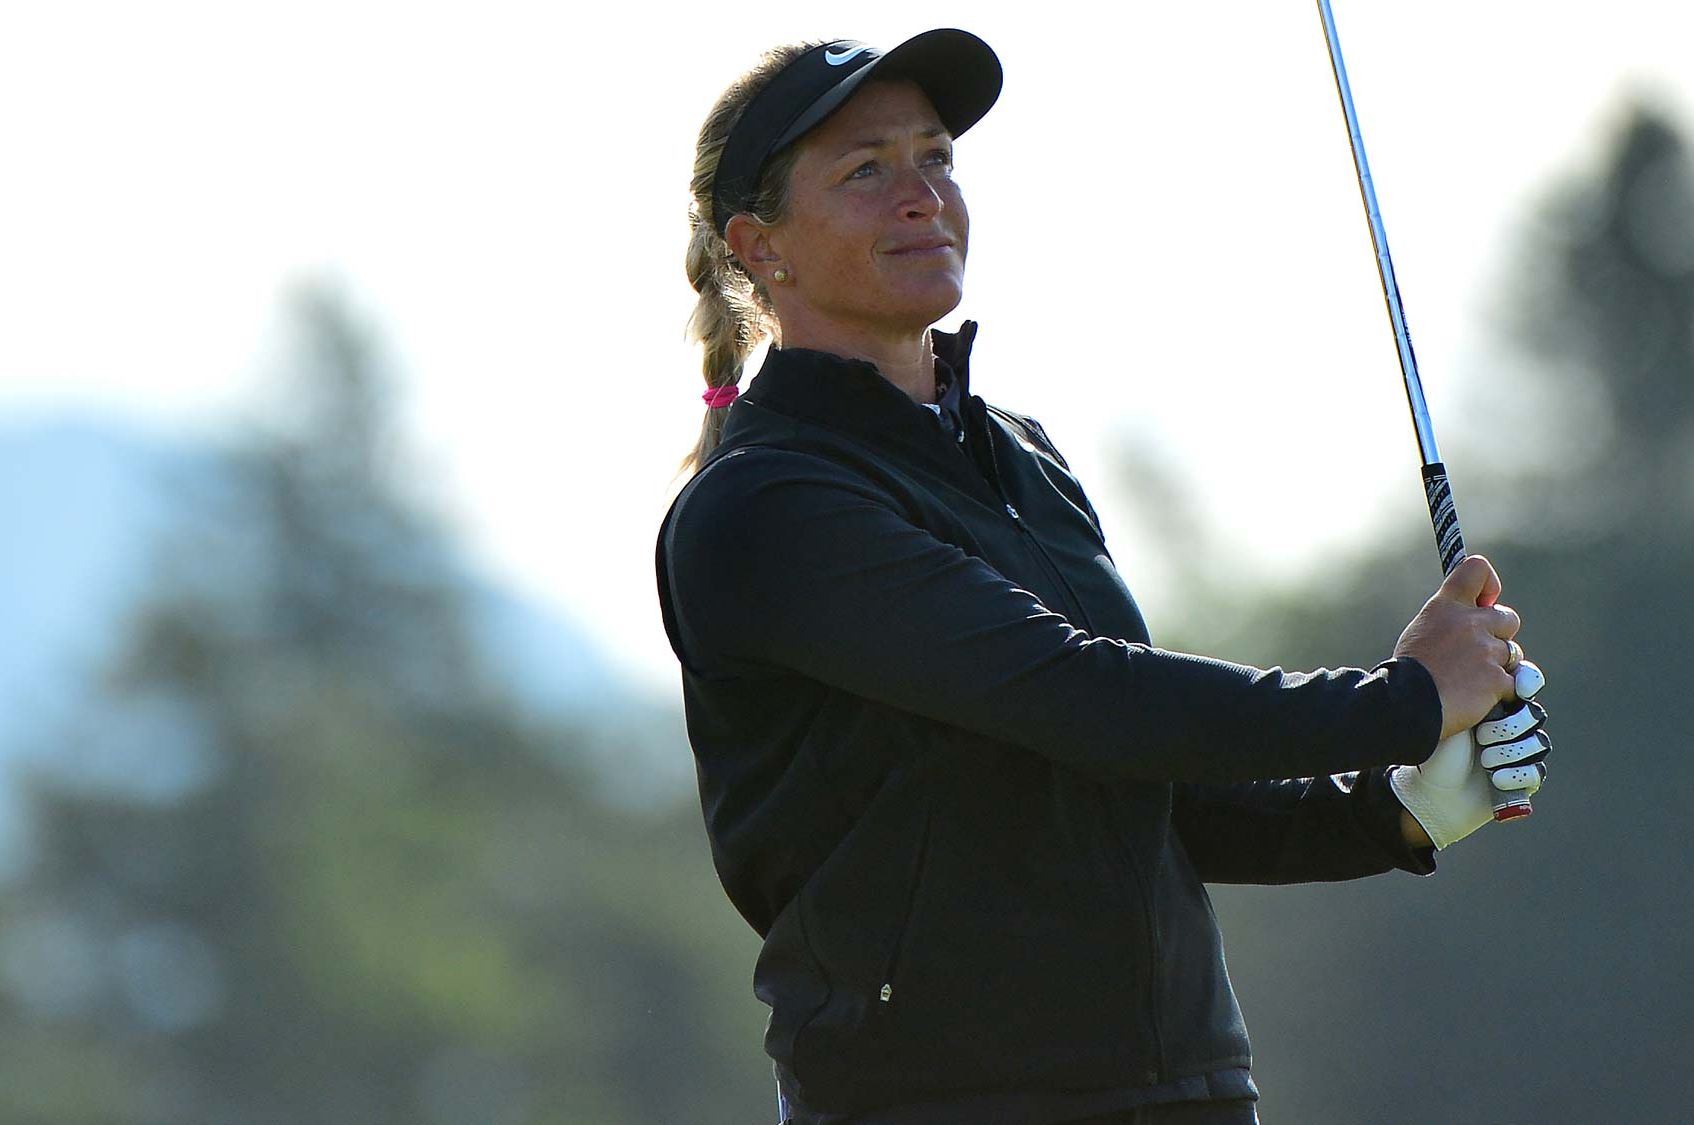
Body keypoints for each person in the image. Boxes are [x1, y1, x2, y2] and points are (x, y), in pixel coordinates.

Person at [653, 29, 1554, 1125]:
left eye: (935, 157)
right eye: (863, 170)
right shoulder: (767, 506)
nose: (920, 196)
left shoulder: (1021, 457)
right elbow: (1084, 696)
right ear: (761, 246)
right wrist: (1403, 701)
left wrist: (1394, 812)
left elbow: (1144, 791)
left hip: (1178, 1086)